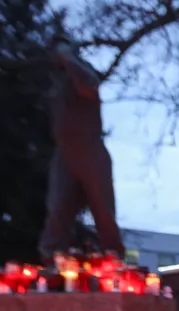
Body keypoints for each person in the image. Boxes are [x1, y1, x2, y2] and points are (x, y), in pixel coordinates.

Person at [39, 33, 125, 264]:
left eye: (62, 49)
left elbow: (90, 86)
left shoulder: (82, 71)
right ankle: (52, 256)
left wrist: (70, 60)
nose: (57, 55)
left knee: (102, 207)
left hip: (90, 148)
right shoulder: (54, 83)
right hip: (64, 151)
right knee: (58, 206)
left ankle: (112, 255)